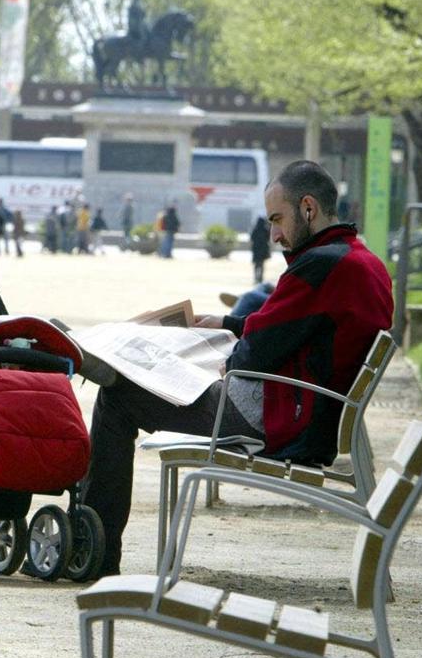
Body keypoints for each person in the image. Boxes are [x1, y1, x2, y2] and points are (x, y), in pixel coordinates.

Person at [83, 160, 393, 577]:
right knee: (152, 380)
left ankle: (95, 555)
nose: (275, 235)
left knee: (118, 398)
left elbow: (252, 357)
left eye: (277, 220)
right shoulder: (358, 260)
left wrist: (224, 354)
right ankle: (93, 546)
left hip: (275, 416)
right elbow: (297, 328)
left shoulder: (319, 266)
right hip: (305, 411)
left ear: (307, 208)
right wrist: (228, 325)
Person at [250, 213, 271, 284]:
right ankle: (260, 278)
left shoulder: (255, 229)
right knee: (261, 265)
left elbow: (251, 238)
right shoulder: (266, 229)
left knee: (256, 264)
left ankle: (256, 278)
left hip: (256, 250)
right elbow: (268, 238)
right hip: (263, 250)